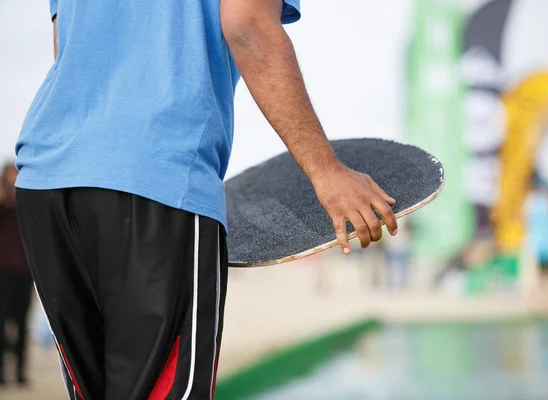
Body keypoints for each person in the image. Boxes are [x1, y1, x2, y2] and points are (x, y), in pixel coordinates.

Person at [14, 1, 399, 399]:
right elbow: (248, 27)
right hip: (157, 174)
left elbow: (68, 47)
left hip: (48, 177)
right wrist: (326, 171)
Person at [0, 163, 33, 386]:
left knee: (22, 323)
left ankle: (20, 372)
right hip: (3, 272)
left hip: (24, 270)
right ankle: (2, 373)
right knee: (2, 323)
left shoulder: (26, 202)